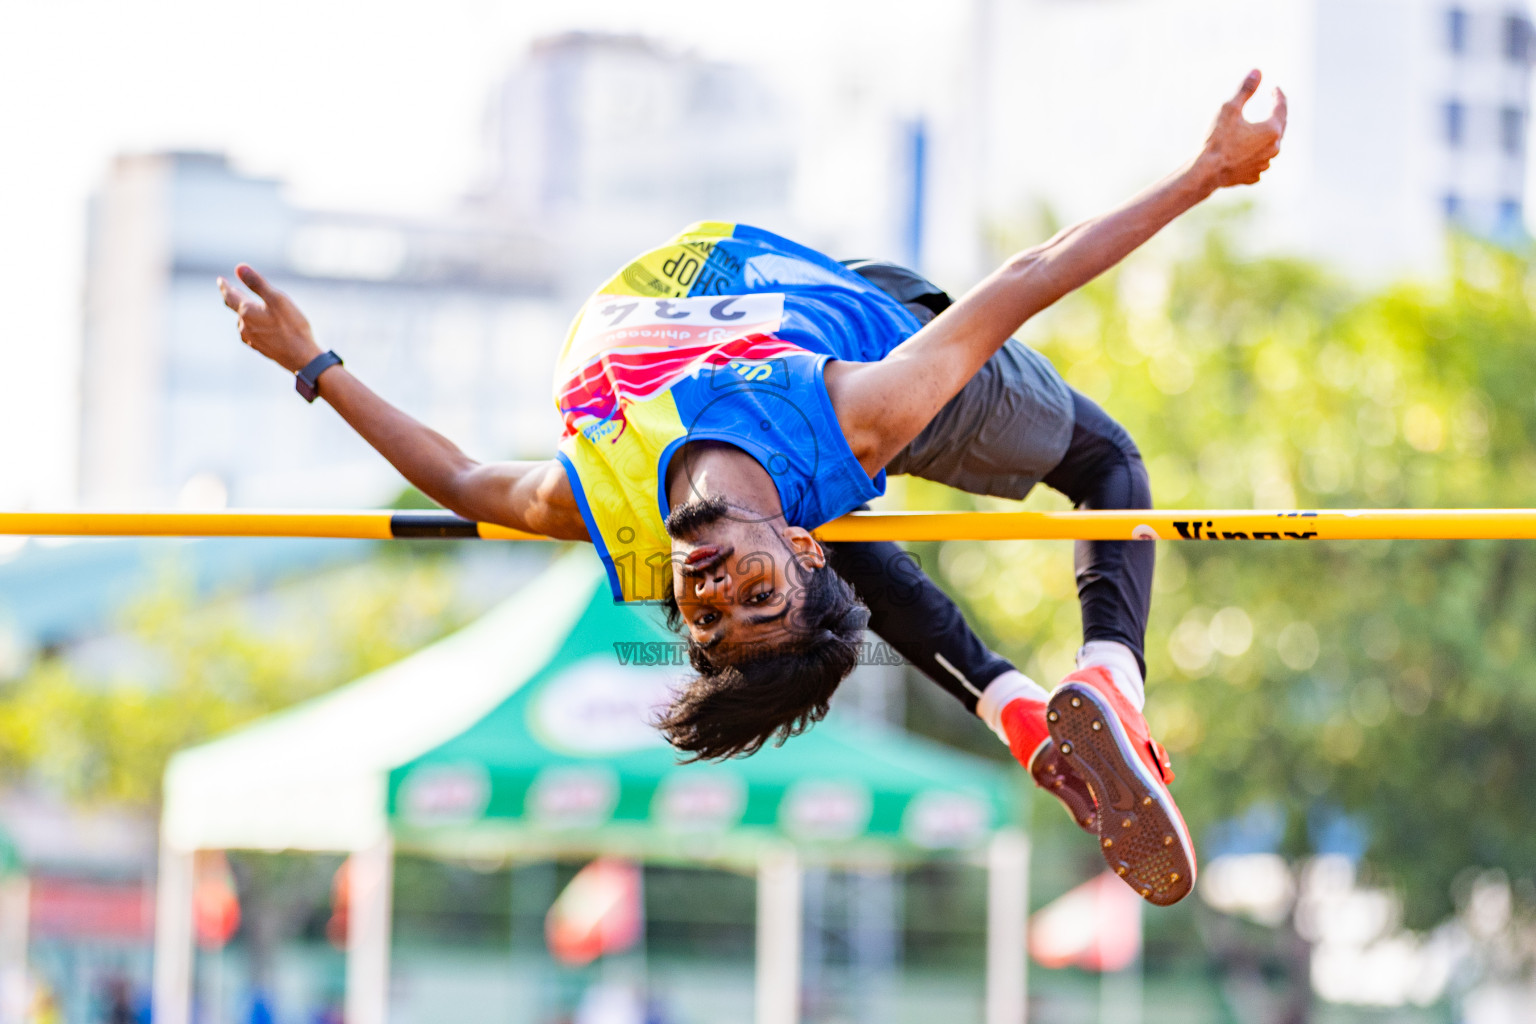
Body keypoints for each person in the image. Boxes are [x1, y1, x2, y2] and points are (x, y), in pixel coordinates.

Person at [219, 71, 1286, 905]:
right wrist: (1205, 172)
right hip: (888, 340)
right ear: (792, 557)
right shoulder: (866, 407)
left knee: (837, 550)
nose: (715, 586)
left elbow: (454, 472)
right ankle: (1113, 683)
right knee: (1108, 468)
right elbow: (1026, 280)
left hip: (815, 320)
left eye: (709, 617)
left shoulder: (603, 508)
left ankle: (1010, 704)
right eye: (752, 595)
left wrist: (313, 364)